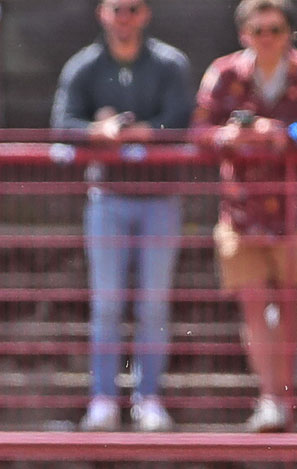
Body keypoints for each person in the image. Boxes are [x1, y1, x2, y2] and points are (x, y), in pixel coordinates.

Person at [190, 0, 297, 433]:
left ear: (289, 32)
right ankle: (269, 397)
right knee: (253, 304)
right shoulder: (223, 73)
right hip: (241, 208)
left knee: (290, 302)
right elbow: (198, 130)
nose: (267, 38)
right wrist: (229, 135)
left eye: (275, 29)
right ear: (244, 35)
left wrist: (282, 133)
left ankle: (282, 400)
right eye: (258, 30)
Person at [51, 0, 193, 433]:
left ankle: (149, 398)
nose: (124, 17)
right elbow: (61, 124)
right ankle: (103, 400)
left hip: (160, 198)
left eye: (133, 9)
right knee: (107, 304)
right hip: (107, 198)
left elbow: (183, 120)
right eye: (117, 9)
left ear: (145, 14)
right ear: (102, 14)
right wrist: (98, 132)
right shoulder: (84, 66)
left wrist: (141, 132)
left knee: (153, 305)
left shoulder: (170, 63)